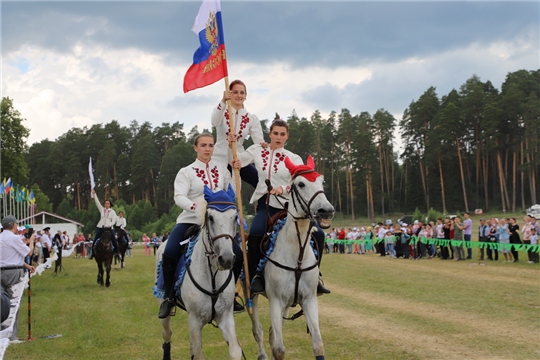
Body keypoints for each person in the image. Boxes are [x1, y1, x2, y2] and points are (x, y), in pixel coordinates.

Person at [236, 116, 330, 295]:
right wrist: (232, 144)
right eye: (275, 133)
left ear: (287, 137)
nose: (278, 137)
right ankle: (257, 276)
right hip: (267, 206)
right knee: (255, 233)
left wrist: (284, 188)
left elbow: (304, 183)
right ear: (270, 134)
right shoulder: (257, 150)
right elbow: (238, 161)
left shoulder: (293, 158)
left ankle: (315, 277)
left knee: (318, 235)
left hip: (291, 208)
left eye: (282, 134)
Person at [158, 132, 243, 319]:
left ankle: (232, 296)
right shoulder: (186, 172)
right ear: (195, 148)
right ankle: (169, 296)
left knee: (238, 254)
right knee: (170, 252)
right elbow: (179, 196)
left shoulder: (222, 170)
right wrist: (195, 207)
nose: (207, 149)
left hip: (218, 223)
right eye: (203, 145)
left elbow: (233, 193)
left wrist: (237, 172)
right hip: (190, 219)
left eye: (211, 145)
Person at [211, 79, 268, 188]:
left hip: (238, 158)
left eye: (242, 93)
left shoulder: (252, 118)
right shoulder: (222, 111)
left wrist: (263, 144)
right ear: (229, 94)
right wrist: (223, 100)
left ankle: (263, 204)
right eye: (235, 92)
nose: (239, 95)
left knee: (261, 184)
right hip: (220, 157)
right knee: (217, 188)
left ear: (246, 96)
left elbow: (259, 141)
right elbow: (214, 122)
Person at [0, 215, 35, 343]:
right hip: (13, 273)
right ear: (14, 225)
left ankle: (2, 330)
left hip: (2, 272)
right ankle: (11, 336)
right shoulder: (13, 238)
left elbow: (8, 256)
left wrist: (25, 265)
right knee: (14, 304)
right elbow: (29, 252)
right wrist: (31, 240)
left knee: (1, 303)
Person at [89, 189, 118, 260]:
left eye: (108, 203)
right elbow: (97, 202)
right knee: (95, 240)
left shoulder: (112, 212)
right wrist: (94, 194)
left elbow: (114, 220)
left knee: (114, 240)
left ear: (110, 204)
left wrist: (110, 225)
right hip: (101, 227)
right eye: (105, 203)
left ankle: (117, 253)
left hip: (109, 228)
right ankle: (92, 253)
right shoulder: (102, 210)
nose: (106, 204)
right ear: (104, 204)